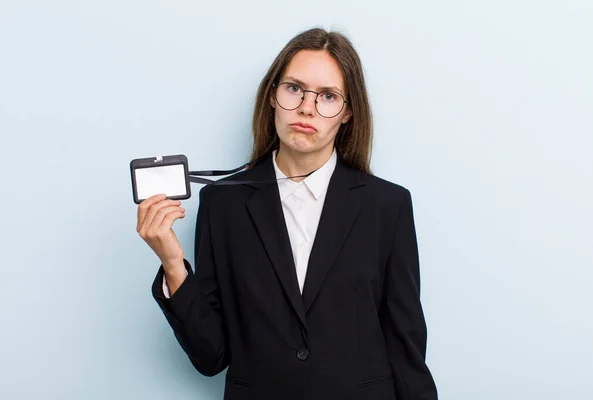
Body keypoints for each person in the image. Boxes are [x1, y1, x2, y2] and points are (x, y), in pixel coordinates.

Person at [136, 27, 438, 400]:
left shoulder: (387, 206)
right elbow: (211, 355)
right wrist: (172, 262)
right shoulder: (223, 205)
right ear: (273, 98)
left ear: (347, 113)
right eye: (294, 88)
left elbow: (406, 350)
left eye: (328, 96)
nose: (307, 107)